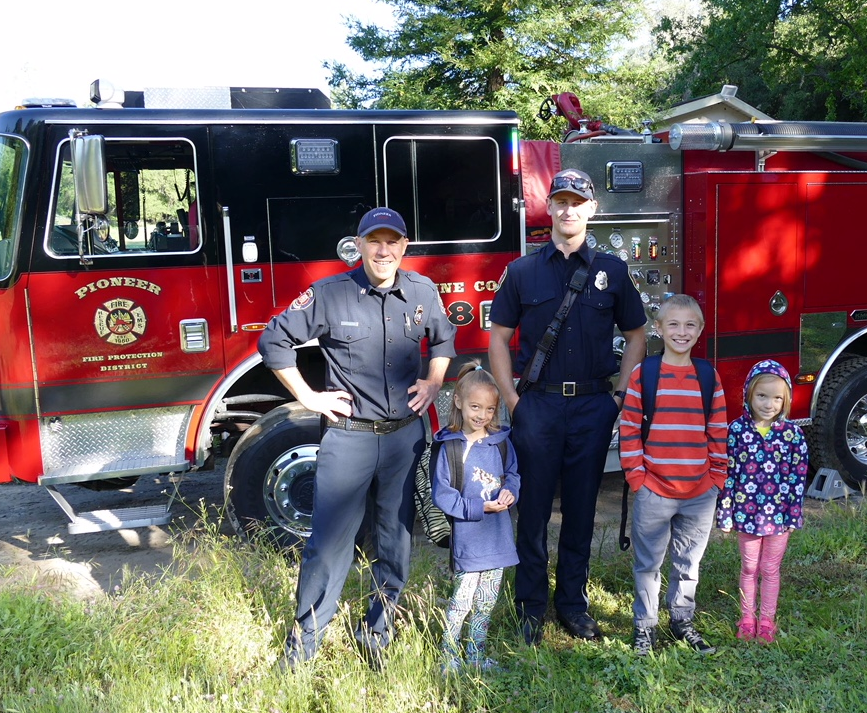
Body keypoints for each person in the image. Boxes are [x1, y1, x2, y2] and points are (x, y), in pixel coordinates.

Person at [258, 207, 454, 669]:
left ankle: (377, 631)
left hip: (404, 439)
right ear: (359, 245)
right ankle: (304, 643)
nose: (383, 250)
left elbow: (444, 340)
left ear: (404, 247)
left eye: (392, 242)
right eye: (374, 241)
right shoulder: (330, 294)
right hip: (348, 438)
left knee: (396, 539)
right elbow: (273, 342)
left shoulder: (423, 291)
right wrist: (310, 397)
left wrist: (433, 383)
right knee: (328, 543)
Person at [488, 168, 647, 645]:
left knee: (580, 509)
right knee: (532, 510)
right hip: (537, 407)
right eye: (560, 201)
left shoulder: (612, 271)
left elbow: (637, 334)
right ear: (549, 208)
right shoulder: (522, 271)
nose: (568, 209)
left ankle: (572, 606)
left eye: (578, 201)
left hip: (592, 409)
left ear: (592, 209)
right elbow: (498, 339)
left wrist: (618, 396)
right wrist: (513, 400)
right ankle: (531, 608)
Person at [618, 295, 728, 656]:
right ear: (659, 329)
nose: (682, 332)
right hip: (655, 491)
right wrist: (638, 479)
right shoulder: (644, 374)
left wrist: (716, 479)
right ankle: (645, 628)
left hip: (699, 493)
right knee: (648, 563)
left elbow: (718, 431)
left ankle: (682, 621)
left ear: (700, 331)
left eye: (690, 325)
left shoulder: (708, 377)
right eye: (674, 325)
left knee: (688, 562)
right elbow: (630, 428)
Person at [431, 362, 520, 672]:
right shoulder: (451, 447)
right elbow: (442, 494)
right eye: (475, 407)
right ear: (458, 402)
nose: (482, 415)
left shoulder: (501, 442)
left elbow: (512, 475)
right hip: (469, 540)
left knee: (486, 601)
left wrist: (511, 493)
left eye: (489, 409)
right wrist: (478, 508)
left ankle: (476, 654)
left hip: (498, 539)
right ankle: (449, 654)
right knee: (462, 601)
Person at [715, 359, 810, 644]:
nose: (769, 404)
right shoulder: (736, 431)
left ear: (786, 400)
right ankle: (747, 617)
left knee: (770, 569)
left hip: (779, 517)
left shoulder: (793, 435)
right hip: (746, 515)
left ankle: (766, 620)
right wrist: (726, 513)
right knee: (749, 567)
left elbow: (798, 477)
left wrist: (794, 514)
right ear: (748, 395)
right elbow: (728, 475)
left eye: (777, 398)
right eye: (762, 396)